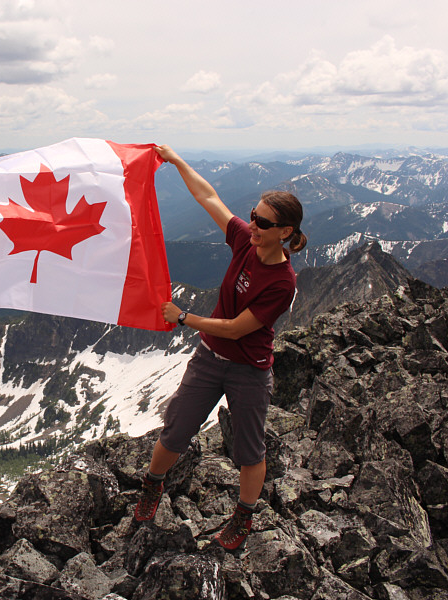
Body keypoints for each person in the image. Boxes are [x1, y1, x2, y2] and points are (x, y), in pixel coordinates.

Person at [134, 145, 308, 552]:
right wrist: (176, 161)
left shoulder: (283, 281)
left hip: (248, 368)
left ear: (285, 231)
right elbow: (208, 197)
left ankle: (243, 517)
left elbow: (236, 329)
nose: (253, 224)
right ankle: (152, 485)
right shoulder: (247, 241)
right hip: (210, 358)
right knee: (176, 428)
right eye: (253, 216)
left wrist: (183, 317)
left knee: (249, 448)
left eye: (263, 221)